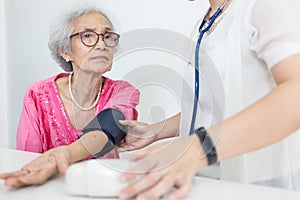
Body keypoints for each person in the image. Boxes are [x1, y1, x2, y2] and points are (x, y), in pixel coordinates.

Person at [116, 0, 300, 199]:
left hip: (260, 184)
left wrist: (198, 148)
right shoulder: (205, 24)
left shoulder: (264, 5)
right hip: (209, 184)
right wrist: (157, 130)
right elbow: (217, 106)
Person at [0, 5, 139, 187]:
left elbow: (111, 125)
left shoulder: (123, 92)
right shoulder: (38, 95)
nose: (101, 44)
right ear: (65, 51)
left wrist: (67, 153)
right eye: (88, 35)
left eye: (107, 36)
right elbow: (28, 160)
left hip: (100, 190)